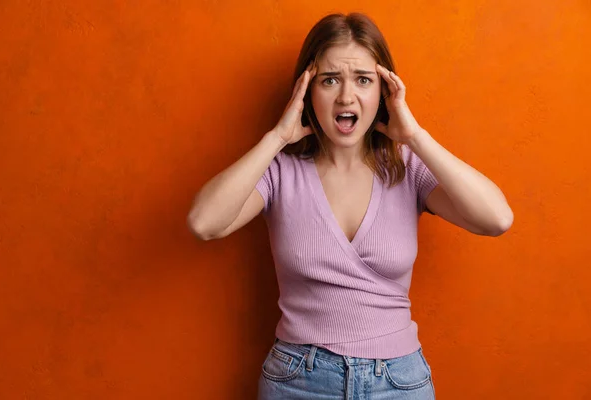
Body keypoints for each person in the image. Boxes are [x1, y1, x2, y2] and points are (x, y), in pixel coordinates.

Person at [187, 12, 513, 400]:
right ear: (307, 91)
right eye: (329, 80)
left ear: (384, 92)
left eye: (363, 79)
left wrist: (415, 137)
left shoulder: (407, 170)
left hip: (398, 383)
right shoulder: (280, 173)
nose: (346, 96)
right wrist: (277, 137)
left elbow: (497, 219)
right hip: (297, 381)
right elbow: (203, 222)